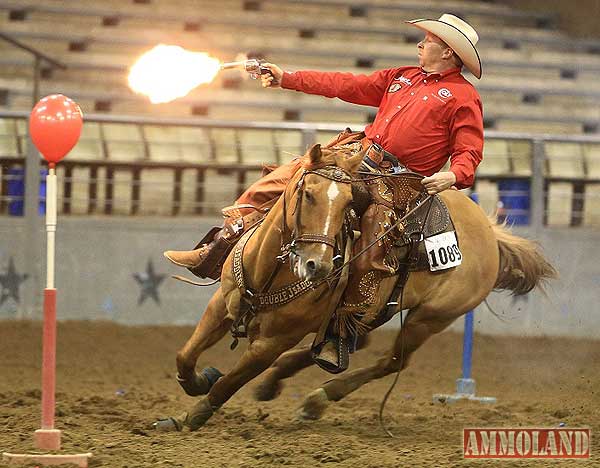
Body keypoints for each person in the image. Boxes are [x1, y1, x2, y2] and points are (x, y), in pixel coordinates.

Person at [164, 14, 484, 369]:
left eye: (429, 41)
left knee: (370, 251)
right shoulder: (401, 77)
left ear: (449, 54)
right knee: (283, 181)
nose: (421, 45)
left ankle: (339, 331)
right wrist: (288, 78)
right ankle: (217, 248)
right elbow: (345, 84)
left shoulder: (462, 96)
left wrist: (454, 175)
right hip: (359, 155)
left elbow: (469, 149)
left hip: (400, 182)